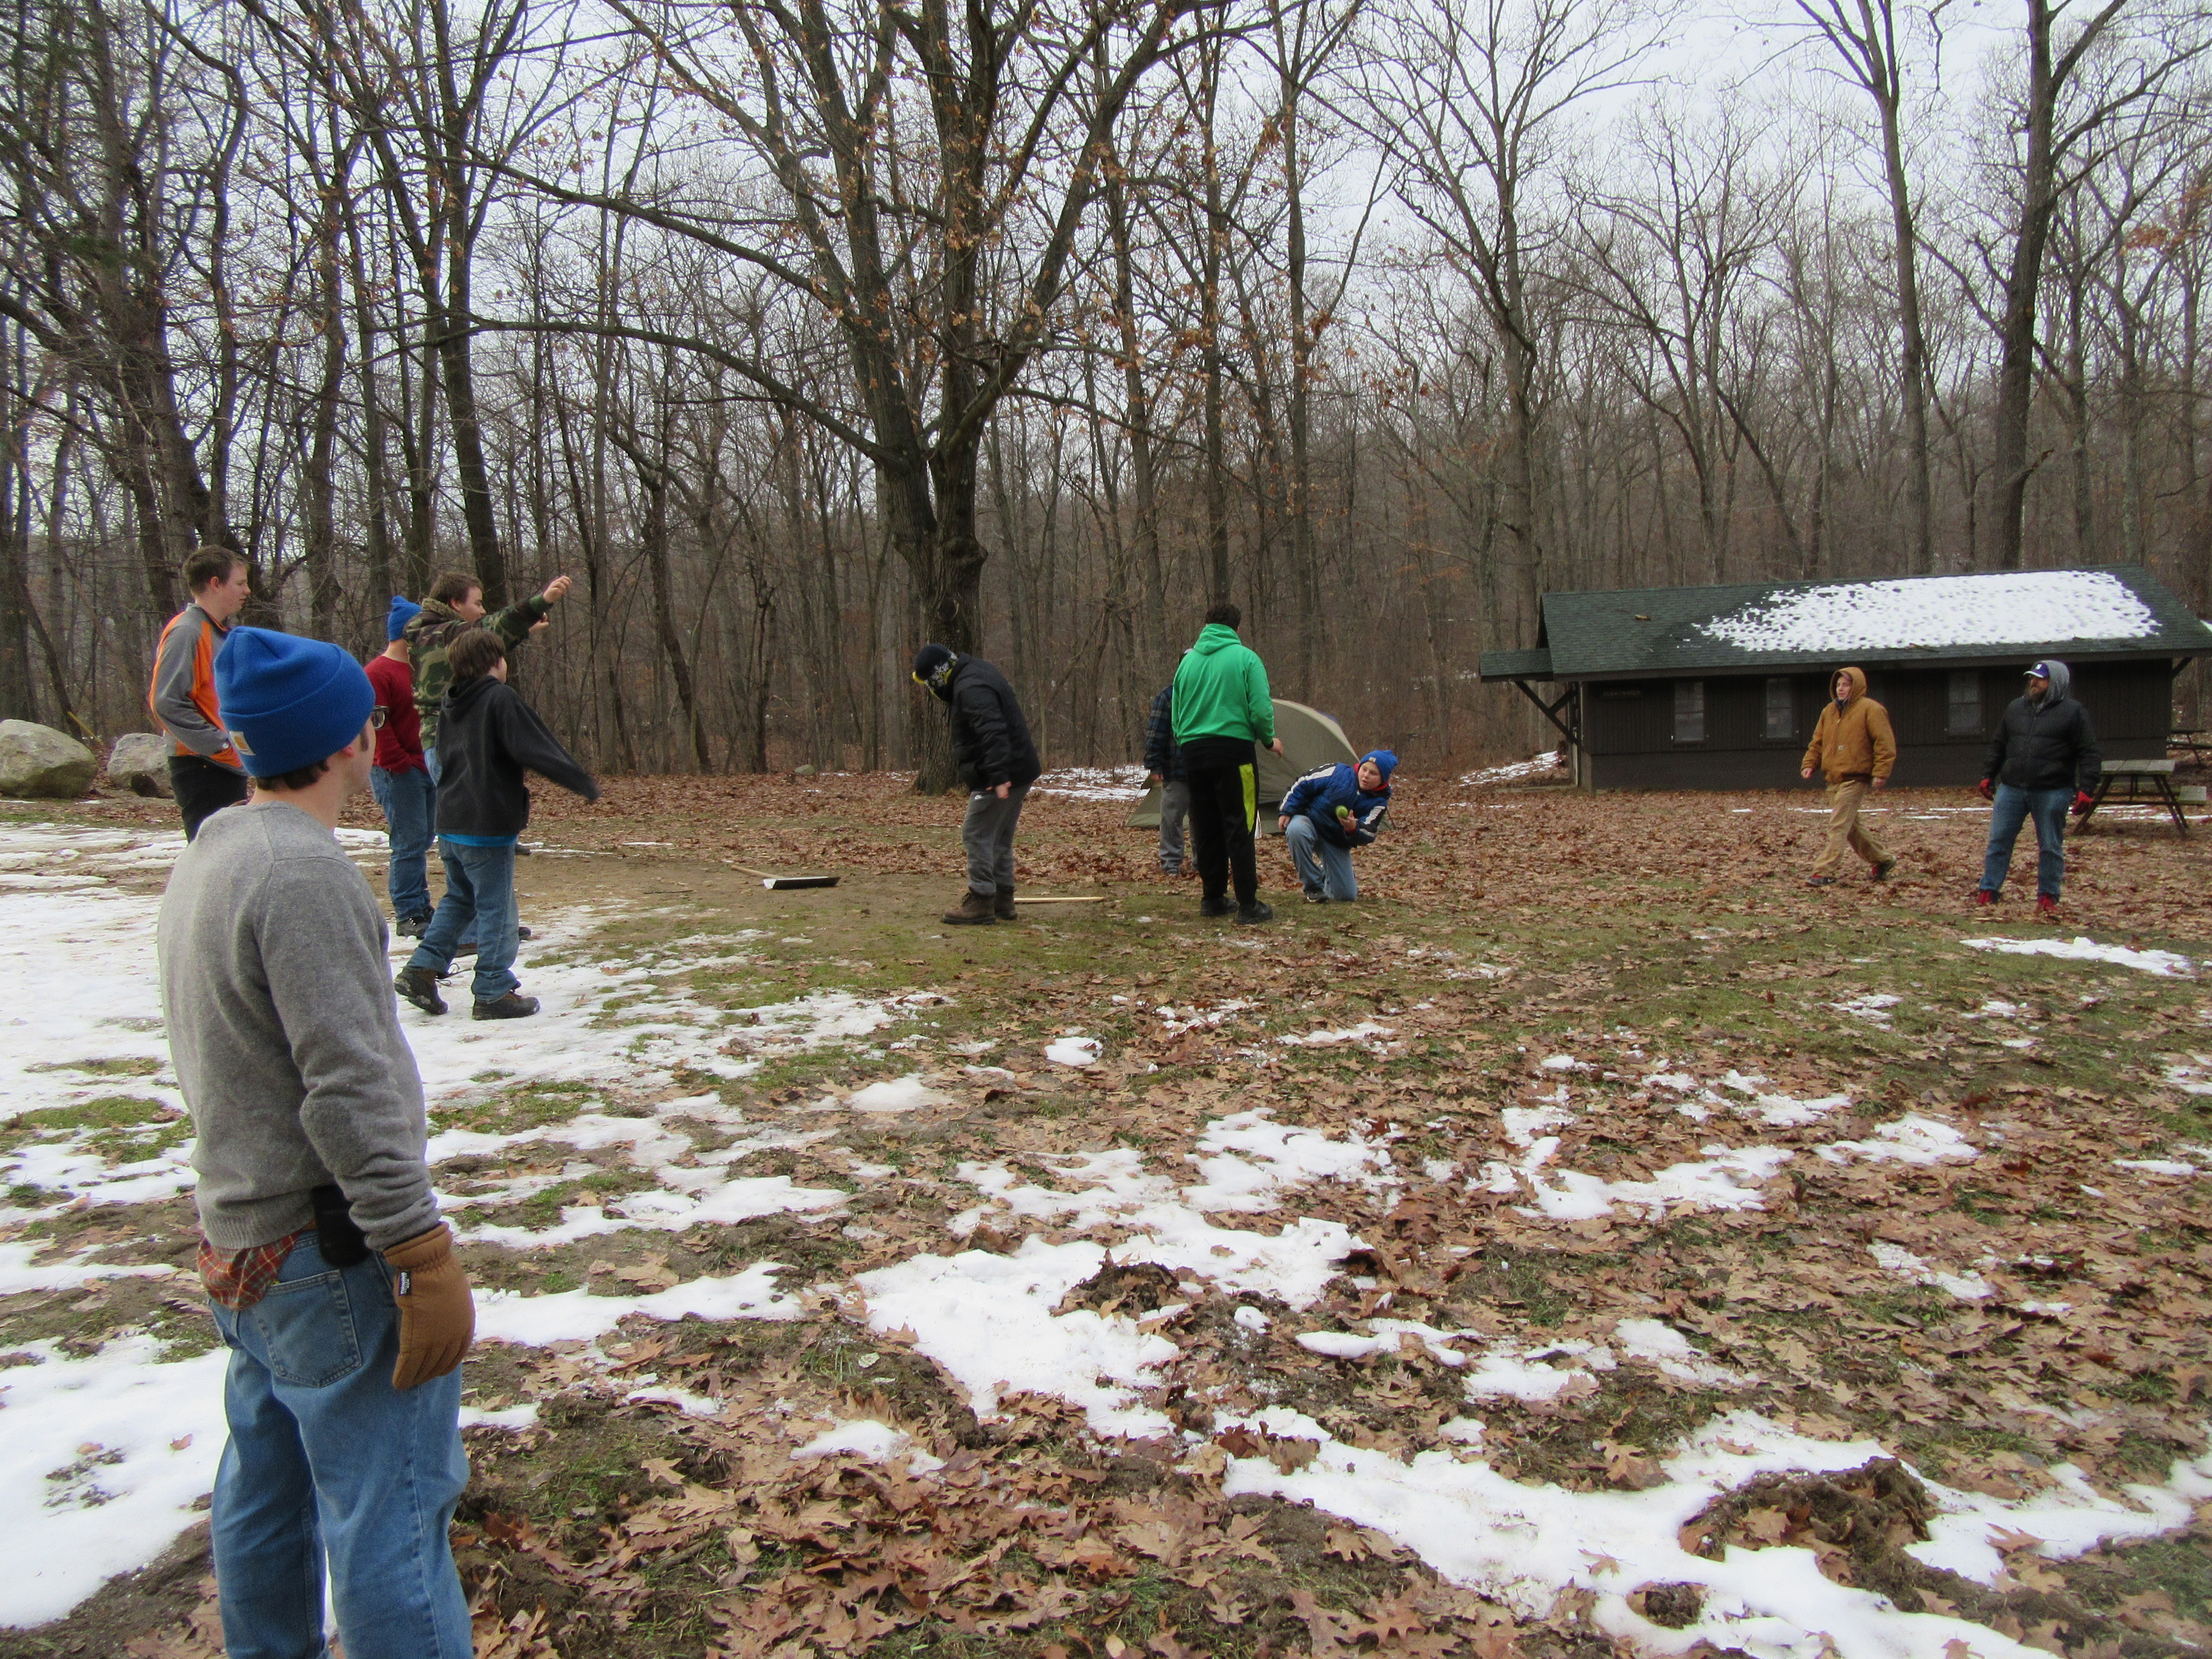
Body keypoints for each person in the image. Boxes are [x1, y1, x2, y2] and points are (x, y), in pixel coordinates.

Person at [158, 624, 474, 1659]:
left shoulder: (216, 851)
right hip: (322, 1254)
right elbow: (348, 1087)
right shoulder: (302, 877)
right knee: (391, 1507)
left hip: (243, 1249)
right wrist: (417, 1247)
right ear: (349, 740)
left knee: (266, 1490)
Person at [396, 629, 598, 1019]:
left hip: (451, 820)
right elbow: (534, 745)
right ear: (493, 662)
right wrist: (580, 780)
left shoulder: (452, 702)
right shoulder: (498, 698)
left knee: (460, 899)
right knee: (497, 908)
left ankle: (421, 970)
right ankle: (493, 989)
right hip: (484, 824)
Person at [912, 643, 1042, 925]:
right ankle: (1003, 899)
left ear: (937, 677)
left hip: (1001, 773)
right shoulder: (972, 673)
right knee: (998, 837)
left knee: (976, 833)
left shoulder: (970, 688)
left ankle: (982, 899)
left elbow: (993, 731)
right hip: (1018, 768)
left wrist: (997, 777)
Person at [1171, 602, 1283, 924]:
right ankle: (1249, 904)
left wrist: (1188, 742)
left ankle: (1214, 898)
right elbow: (1260, 710)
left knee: (1206, 827)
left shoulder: (1188, 663)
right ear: (1237, 629)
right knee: (1241, 824)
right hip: (1234, 753)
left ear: (1206, 626)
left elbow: (1177, 714)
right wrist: (1268, 739)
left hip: (1194, 752)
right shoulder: (1247, 659)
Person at [404, 568, 573, 765]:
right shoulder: (439, 634)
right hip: (451, 744)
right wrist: (542, 601)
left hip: (451, 742)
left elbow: (484, 639)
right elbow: (488, 630)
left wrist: (522, 629)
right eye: (478, 603)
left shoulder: (433, 634)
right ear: (456, 603)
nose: (483, 611)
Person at [1976, 659, 2101, 916]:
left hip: (2053, 789)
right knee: (1999, 841)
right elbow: (2000, 744)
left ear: (2055, 683)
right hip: (2012, 788)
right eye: (2031, 678)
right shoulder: (2015, 708)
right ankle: (1989, 889)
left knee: (2050, 845)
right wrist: (1989, 775)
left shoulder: (2073, 712)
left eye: (2040, 679)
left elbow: (2089, 752)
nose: (2033, 683)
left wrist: (2086, 788)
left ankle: (2048, 895)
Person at [148, 544, 253, 839]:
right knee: (212, 861)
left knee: (231, 857)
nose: (247, 591)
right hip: (201, 767)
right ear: (215, 584)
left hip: (226, 766)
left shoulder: (221, 632)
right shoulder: (188, 632)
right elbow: (166, 703)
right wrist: (220, 745)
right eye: (241, 583)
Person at [366, 596, 436, 936]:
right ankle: (408, 912)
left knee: (423, 837)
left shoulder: (419, 670)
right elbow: (379, 725)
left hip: (425, 765)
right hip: (396, 770)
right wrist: (399, 764)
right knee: (408, 841)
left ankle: (422, 906)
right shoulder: (378, 673)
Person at [1798, 665, 1898, 888]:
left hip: (1856, 777)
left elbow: (1885, 743)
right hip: (1834, 777)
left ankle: (1825, 871)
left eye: (1846, 684)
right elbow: (1818, 742)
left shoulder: (1871, 710)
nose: (1841, 689)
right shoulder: (1829, 712)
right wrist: (1810, 763)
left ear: (1858, 686)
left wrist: (1881, 772)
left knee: (1838, 824)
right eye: (1839, 685)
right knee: (1851, 828)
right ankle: (1883, 860)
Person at [1278, 750, 1397, 903]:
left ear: (1383, 780)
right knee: (1296, 831)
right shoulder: (1337, 772)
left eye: (1373, 774)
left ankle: (1324, 872)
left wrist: (1353, 827)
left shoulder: (1379, 803)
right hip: (1310, 822)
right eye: (1364, 769)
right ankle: (1314, 887)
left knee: (1346, 896)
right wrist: (1286, 810)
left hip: (1336, 840)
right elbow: (1303, 783)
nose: (1366, 775)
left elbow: (1370, 832)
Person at [1142, 683, 1192, 876]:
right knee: (1172, 819)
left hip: (1205, 769)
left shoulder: (1209, 691)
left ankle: (1202, 863)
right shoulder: (1169, 696)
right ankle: (1171, 864)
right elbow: (1156, 731)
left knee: (1204, 822)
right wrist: (1154, 763)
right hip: (1176, 770)